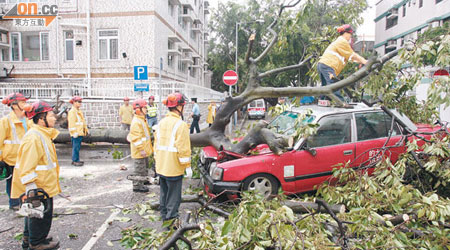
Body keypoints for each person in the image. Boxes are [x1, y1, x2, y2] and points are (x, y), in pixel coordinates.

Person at [11, 101, 61, 250]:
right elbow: (27, 166)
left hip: (42, 184)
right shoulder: (34, 137)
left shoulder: (41, 134)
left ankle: (31, 239)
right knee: (40, 216)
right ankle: (36, 243)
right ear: (41, 118)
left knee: (34, 214)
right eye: (51, 115)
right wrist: (32, 189)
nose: (54, 118)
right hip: (39, 186)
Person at [155, 93, 191, 228]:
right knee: (174, 197)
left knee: (164, 194)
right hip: (174, 167)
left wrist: (156, 162)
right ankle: (172, 222)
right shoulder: (180, 125)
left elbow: (156, 146)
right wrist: (187, 166)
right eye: (183, 106)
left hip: (161, 166)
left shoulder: (161, 123)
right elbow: (183, 148)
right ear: (179, 107)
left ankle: (165, 218)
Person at [317, 24, 367, 101]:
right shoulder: (342, 41)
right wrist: (364, 61)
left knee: (325, 87)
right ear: (346, 33)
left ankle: (324, 101)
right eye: (350, 34)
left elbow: (349, 57)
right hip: (328, 65)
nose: (351, 37)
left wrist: (359, 62)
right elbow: (352, 55)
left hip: (322, 65)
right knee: (334, 85)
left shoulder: (339, 42)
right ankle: (340, 102)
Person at [0, 93, 32, 210]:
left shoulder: (28, 119)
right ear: (14, 105)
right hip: (11, 157)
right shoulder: (6, 121)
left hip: (25, 156)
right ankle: (13, 203)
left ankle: (23, 201)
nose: (25, 104)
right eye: (22, 102)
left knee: (24, 180)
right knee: (12, 181)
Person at [128, 99, 153, 193]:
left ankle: (144, 181)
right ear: (138, 110)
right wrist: (141, 149)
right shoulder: (136, 122)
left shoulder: (142, 119)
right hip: (139, 151)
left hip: (144, 150)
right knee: (139, 169)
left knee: (144, 167)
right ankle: (137, 186)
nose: (146, 109)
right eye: (145, 107)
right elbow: (136, 138)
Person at [67, 96, 88, 166]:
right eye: (79, 102)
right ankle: (75, 160)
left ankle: (77, 159)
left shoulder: (78, 111)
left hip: (79, 132)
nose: (80, 103)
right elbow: (71, 124)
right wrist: (74, 132)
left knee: (77, 147)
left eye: (80, 102)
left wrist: (86, 130)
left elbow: (83, 122)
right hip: (76, 133)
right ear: (74, 102)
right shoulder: (72, 112)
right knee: (75, 147)